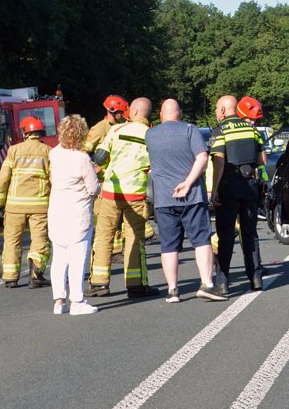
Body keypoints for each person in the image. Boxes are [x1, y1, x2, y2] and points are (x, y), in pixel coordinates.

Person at [146, 99, 227, 302]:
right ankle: (206, 284)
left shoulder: (150, 134)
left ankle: (172, 290)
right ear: (180, 113)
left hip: (164, 198)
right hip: (192, 197)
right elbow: (202, 157)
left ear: (161, 115)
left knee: (169, 246)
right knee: (201, 240)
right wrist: (188, 183)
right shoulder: (190, 130)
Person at [88, 97, 157, 299]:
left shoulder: (117, 130)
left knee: (104, 236)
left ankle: (98, 284)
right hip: (136, 194)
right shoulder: (151, 135)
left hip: (111, 192)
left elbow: (100, 157)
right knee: (135, 238)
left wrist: (105, 168)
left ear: (133, 112)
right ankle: (136, 286)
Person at [210, 95, 267, 292]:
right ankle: (256, 278)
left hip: (229, 186)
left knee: (225, 235)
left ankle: (222, 282)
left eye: (217, 109)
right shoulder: (252, 130)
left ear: (223, 110)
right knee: (250, 233)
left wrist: (214, 190)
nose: (216, 112)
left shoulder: (220, 130)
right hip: (250, 186)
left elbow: (219, 161)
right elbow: (262, 160)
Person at [47, 114, 100, 315]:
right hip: (77, 213)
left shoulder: (54, 153)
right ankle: (77, 301)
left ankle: (59, 301)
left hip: (57, 211)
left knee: (59, 258)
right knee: (77, 259)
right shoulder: (82, 158)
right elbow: (93, 188)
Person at [0, 116, 52, 288]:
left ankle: (10, 277)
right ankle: (36, 276)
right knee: (39, 240)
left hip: (14, 206)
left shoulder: (14, 150)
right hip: (40, 206)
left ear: (25, 132)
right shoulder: (49, 151)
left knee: (12, 240)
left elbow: (3, 179)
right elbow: (54, 179)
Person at [84, 95, 129, 275]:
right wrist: (93, 167)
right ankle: (99, 258)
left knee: (117, 218)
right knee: (105, 219)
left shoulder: (121, 126)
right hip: (103, 182)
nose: (124, 115)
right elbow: (84, 150)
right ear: (112, 111)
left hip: (117, 180)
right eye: (121, 112)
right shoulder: (100, 128)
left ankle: (115, 251)